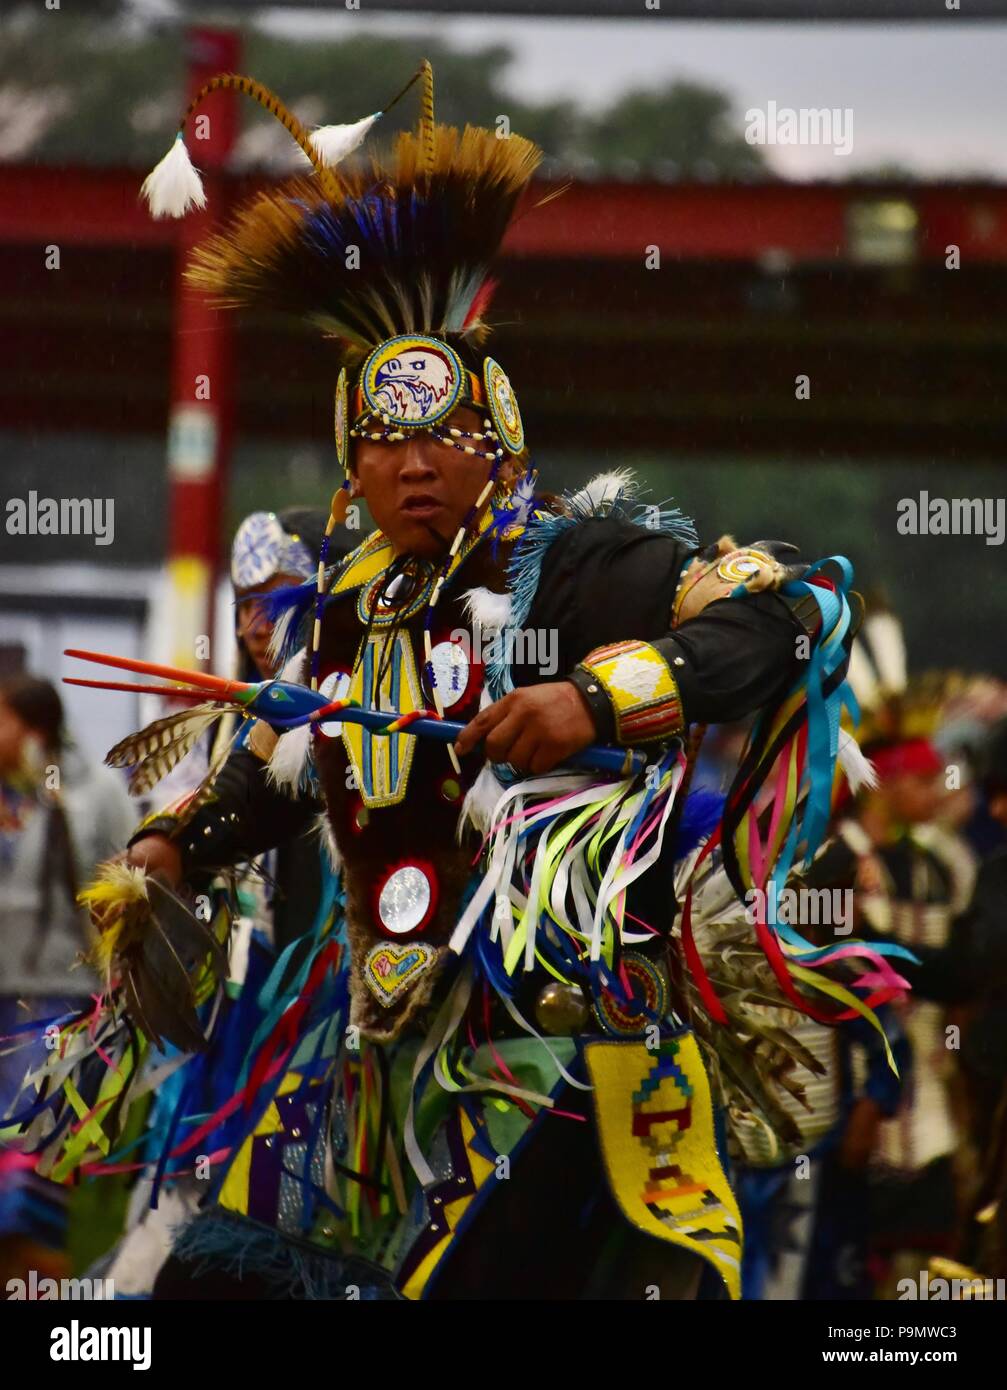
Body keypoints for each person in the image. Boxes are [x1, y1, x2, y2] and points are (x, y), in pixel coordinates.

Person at [12, 61, 902, 1302]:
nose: (412, 466)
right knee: (206, 1289)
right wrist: (172, 843)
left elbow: (793, 614)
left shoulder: (582, 568)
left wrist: (586, 701)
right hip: (374, 1055)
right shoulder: (345, 609)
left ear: (499, 439)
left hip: (558, 1057)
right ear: (348, 464)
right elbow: (289, 766)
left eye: (440, 436)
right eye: (382, 443)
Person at [0, 674, 133, 1281]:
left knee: (34, 1178)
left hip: (61, 1003)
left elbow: (131, 886)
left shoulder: (96, 793)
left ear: (35, 728)